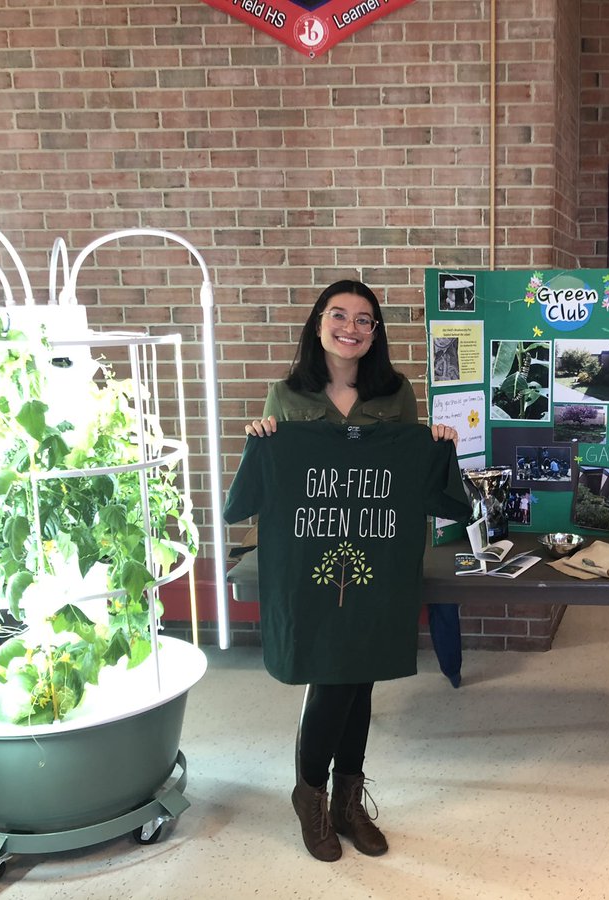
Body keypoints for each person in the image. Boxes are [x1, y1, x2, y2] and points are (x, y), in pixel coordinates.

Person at [243, 279, 462, 861]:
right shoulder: (285, 397)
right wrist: (264, 438)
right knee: (333, 677)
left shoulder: (396, 395)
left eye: (365, 320)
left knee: (359, 676)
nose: (352, 327)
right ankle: (311, 794)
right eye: (339, 316)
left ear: (376, 333)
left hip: (376, 562)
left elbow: (409, 474)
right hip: (313, 565)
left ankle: (346, 801)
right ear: (318, 324)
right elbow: (275, 485)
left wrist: (436, 440)